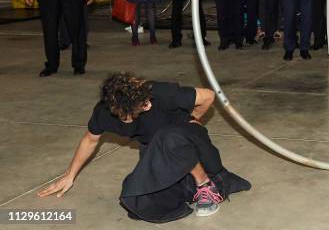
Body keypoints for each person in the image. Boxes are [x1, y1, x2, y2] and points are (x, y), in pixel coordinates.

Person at [37, 72, 251, 222]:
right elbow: (89, 140)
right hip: (158, 150)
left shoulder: (159, 92)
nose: (149, 104)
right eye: (143, 105)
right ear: (121, 113)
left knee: (170, 135)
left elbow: (208, 96)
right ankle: (185, 186)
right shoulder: (104, 113)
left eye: (147, 101)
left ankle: (205, 186)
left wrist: (194, 118)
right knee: (137, 200)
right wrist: (70, 174)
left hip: (191, 143)